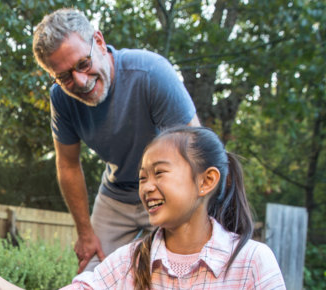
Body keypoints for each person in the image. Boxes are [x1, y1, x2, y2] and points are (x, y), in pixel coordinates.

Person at [0, 126, 286, 290]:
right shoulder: (127, 264)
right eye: (143, 177)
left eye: (159, 173)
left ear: (206, 181)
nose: (147, 186)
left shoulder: (252, 263)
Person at [32, 8, 201, 274]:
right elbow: (68, 165)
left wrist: (192, 216)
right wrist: (85, 232)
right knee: (92, 273)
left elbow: (196, 151)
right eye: (64, 77)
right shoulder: (61, 99)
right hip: (116, 196)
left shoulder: (150, 73)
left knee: (174, 274)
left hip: (166, 191)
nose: (80, 81)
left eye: (83, 64)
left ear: (98, 42)